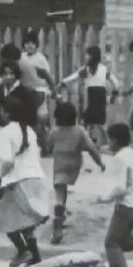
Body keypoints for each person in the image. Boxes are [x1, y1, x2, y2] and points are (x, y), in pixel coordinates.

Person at [0, 96, 49, 267]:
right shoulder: (29, 131)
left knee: (6, 222)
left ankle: (23, 251)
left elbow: (7, 161)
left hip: (17, 180)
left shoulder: (5, 133)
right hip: (36, 177)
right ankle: (34, 257)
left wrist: (2, 176)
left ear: (6, 113)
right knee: (26, 223)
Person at [96, 123, 133, 267]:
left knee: (111, 243)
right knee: (122, 242)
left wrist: (105, 198)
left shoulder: (120, 158)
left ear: (115, 140)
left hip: (126, 205)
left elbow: (120, 187)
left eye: (109, 139)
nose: (108, 143)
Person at [47, 102, 106, 244]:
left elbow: (48, 147)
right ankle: (62, 215)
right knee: (64, 188)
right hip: (74, 164)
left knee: (59, 193)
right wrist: (100, 162)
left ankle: (58, 224)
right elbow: (91, 148)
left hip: (59, 164)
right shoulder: (79, 131)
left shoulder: (55, 132)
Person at [0, 62, 38, 204]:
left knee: (15, 165)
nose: (8, 77)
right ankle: (0, 188)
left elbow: (28, 116)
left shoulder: (23, 92)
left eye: (11, 74)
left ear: (16, 75)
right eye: (4, 74)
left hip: (16, 131)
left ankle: (17, 198)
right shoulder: (1, 89)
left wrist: (25, 138)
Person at [60, 46, 120, 147]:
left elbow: (75, 76)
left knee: (88, 121)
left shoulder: (87, 69)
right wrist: (115, 91)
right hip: (99, 96)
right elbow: (115, 82)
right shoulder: (100, 69)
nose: (86, 56)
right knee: (97, 122)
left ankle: (90, 143)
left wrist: (63, 82)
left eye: (88, 54)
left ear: (92, 56)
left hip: (93, 96)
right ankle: (102, 143)